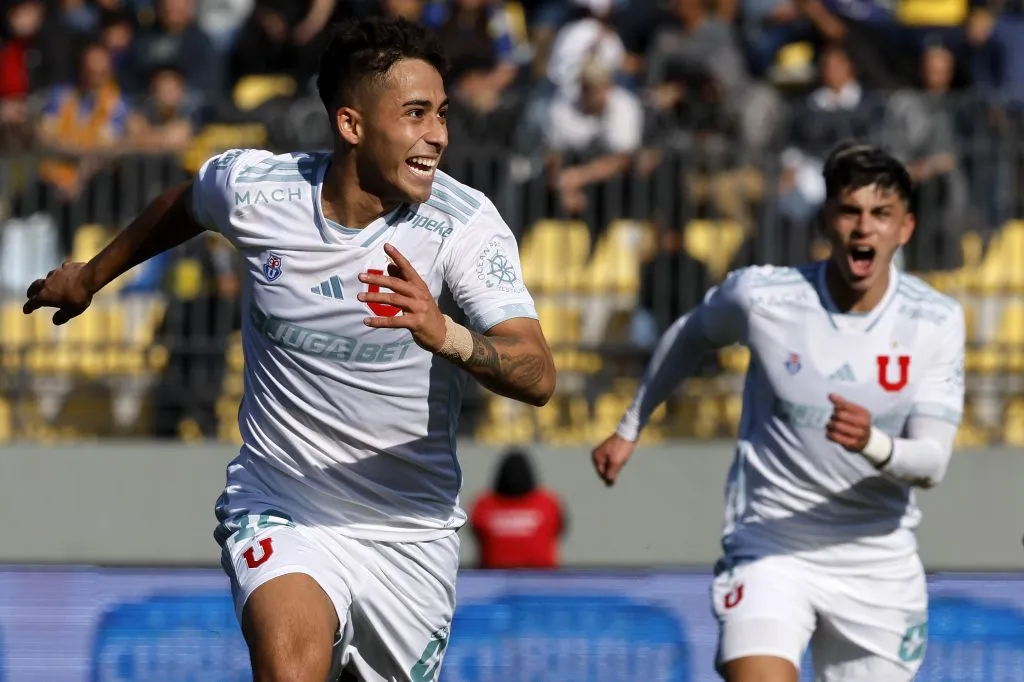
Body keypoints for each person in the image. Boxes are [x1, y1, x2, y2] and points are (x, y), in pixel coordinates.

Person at [23, 16, 556, 682]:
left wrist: (446, 334)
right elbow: (186, 204)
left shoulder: (463, 226)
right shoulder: (258, 190)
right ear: (351, 124)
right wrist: (90, 277)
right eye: (416, 113)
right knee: (290, 663)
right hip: (284, 502)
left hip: (408, 532)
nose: (439, 135)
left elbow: (538, 374)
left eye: (442, 114)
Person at [591, 141, 965, 682]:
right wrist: (630, 426)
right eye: (850, 211)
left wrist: (872, 443)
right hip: (771, 546)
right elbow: (690, 335)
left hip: (877, 562)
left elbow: (931, 463)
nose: (864, 228)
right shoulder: (764, 297)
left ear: (905, 228)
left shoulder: (935, 319)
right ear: (826, 220)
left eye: (881, 214)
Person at [469, 448, 567, 569]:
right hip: (539, 575)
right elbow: (560, 529)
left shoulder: (483, 505)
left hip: (499, 575)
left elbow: (475, 532)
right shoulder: (549, 503)